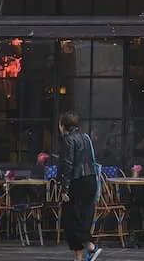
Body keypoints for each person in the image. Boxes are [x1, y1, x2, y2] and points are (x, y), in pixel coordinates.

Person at [58, 112, 101, 261]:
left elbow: (68, 165)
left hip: (78, 181)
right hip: (91, 180)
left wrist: (64, 189)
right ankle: (78, 258)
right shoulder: (86, 138)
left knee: (69, 220)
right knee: (83, 219)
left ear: (63, 126)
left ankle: (90, 247)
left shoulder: (68, 140)